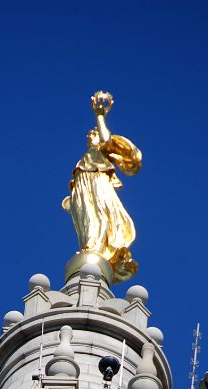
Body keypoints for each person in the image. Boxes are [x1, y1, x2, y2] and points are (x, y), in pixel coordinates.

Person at [63, 91, 142, 283]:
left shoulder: (102, 150)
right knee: (86, 217)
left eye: (94, 133)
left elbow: (107, 140)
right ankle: (89, 246)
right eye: (90, 133)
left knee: (98, 213)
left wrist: (100, 116)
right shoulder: (85, 157)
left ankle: (95, 247)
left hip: (98, 182)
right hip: (83, 184)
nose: (90, 135)